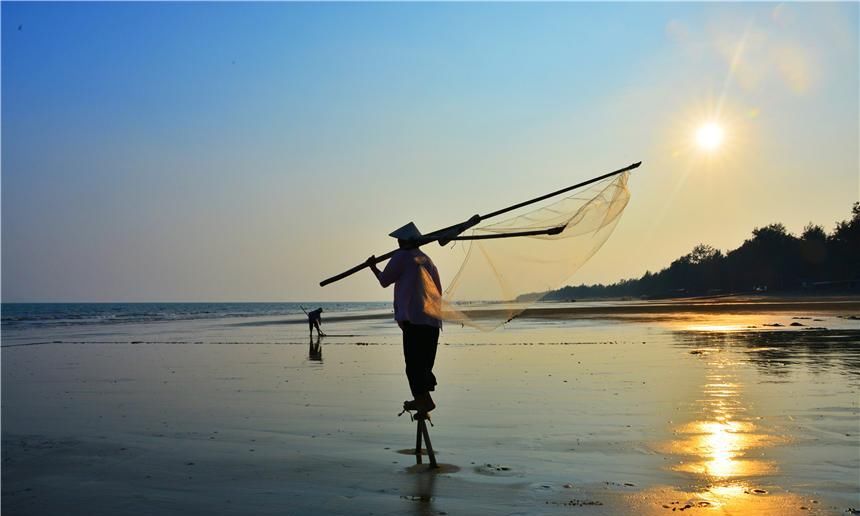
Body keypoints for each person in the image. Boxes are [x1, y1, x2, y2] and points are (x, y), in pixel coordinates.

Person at [366, 222, 443, 415]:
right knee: (423, 365)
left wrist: (372, 267)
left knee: (413, 366)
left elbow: (385, 280)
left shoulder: (401, 256)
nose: (398, 243)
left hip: (414, 320)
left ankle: (423, 402)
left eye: (399, 240)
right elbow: (438, 291)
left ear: (404, 241)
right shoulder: (427, 259)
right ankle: (423, 401)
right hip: (432, 321)